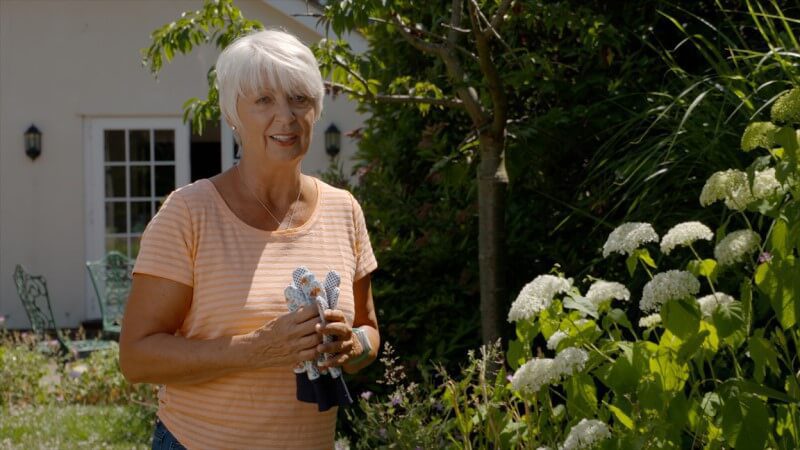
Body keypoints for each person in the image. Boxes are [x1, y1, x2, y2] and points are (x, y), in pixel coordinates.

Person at [119, 29, 379, 450]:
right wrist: (254, 349)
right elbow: (136, 357)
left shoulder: (344, 210)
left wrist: (352, 345)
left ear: (316, 107)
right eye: (263, 101)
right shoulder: (188, 213)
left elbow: (369, 330)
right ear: (232, 114)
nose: (287, 117)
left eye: (299, 98)